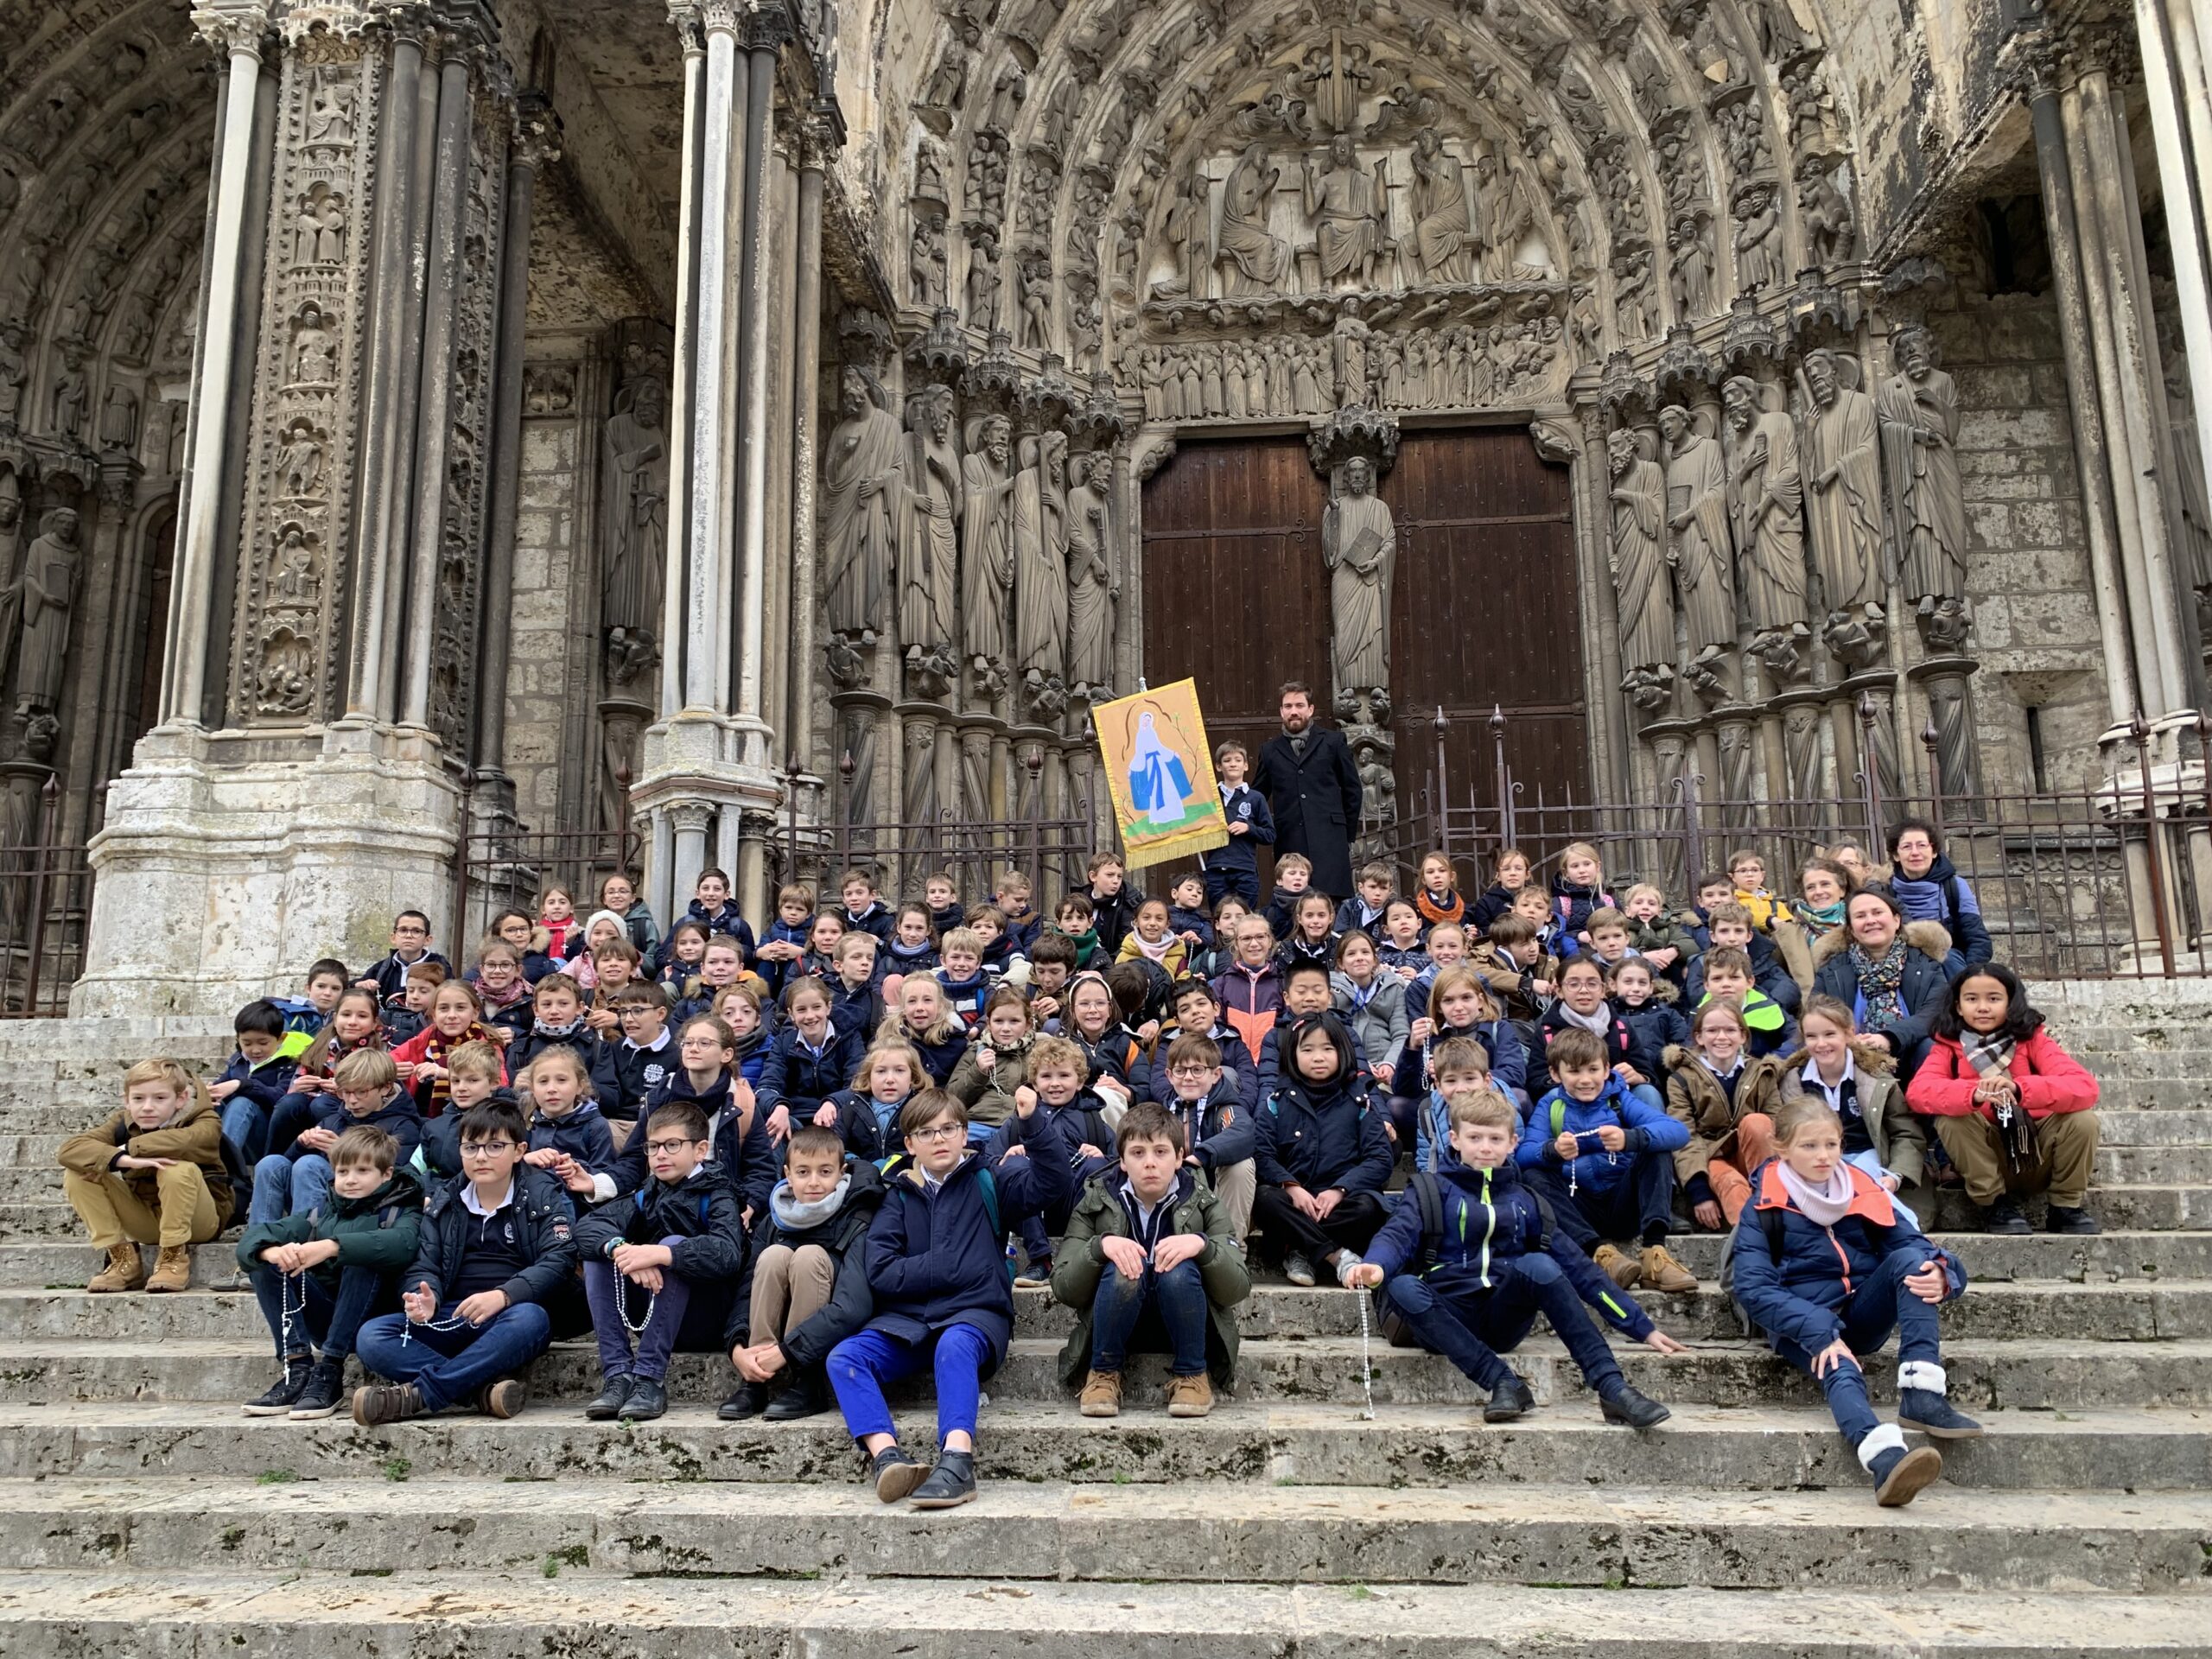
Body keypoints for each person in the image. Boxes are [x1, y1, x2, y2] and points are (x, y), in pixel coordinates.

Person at [1348, 1090, 1678, 1427]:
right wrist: (1375, 1264)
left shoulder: (1527, 1201)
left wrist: (1641, 1327)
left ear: (1512, 1143)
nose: (1485, 1147)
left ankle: (1613, 1388)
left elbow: (1580, 1269)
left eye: (1495, 1138)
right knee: (1402, 1286)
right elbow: (1397, 1235)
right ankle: (1503, 1382)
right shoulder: (1430, 1189)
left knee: (1541, 1265)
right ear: (1455, 1139)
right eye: (1474, 1137)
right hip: (1446, 1319)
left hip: (1503, 1319)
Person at [828, 1086, 1071, 1510]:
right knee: (845, 1357)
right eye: (926, 1132)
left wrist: (1032, 1123)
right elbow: (882, 1271)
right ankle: (886, 1456)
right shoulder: (897, 1194)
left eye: (948, 1129)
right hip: (909, 1324)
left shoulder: (990, 1179)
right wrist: (954, 1264)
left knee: (955, 1345)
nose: (939, 1139)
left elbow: (1055, 1180)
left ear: (964, 1134)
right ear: (909, 1144)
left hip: (975, 1316)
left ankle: (957, 1461)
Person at [1730, 1096, 1981, 1506]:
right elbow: (1754, 1289)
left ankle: (1922, 1394)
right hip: (1803, 1321)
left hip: (1860, 1311)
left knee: (1913, 1262)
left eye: (1831, 1145)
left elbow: (1913, 1244)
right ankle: (1885, 1460)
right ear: (1783, 1149)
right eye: (1809, 1146)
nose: (1823, 1156)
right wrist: (1819, 1331)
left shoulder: (1859, 1188)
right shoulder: (1764, 1205)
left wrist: (1945, 1272)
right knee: (1839, 1368)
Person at [353, 1099, 581, 1424]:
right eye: (471, 1148)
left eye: (494, 1146)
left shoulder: (543, 1194)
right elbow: (423, 1264)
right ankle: (479, 1392)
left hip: (509, 1317)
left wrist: (503, 1296)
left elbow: (558, 1259)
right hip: (451, 1315)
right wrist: (424, 1297)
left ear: (519, 1151)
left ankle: (418, 1396)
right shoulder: (445, 1200)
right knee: (372, 1336)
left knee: (532, 1319)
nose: (481, 1156)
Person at [1057, 1103, 1252, 1420]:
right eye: (1137, 1153)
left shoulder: (1204, 1202)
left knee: (1179, 1267)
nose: (1150, 1163)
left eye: (1160, 1152)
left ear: (1178, 1157)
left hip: (1185, 1319)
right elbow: (1065, 1289)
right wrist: (1098, 1248)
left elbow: (1237, 1288)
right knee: (1125, 1266)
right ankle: (1103, 1373)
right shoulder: (1095, 1202)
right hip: (1113, 1321)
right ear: (1122, 1161)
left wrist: (1202, 1246)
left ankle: (1192, 1375)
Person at [574, 1098, 747, 1422]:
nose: (660, 1155)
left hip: (705, 1318)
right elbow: (587, 1227)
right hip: (654, 1311)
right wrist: (620, 1248)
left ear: (700, 1150)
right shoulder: (647, 1193)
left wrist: (662, 1254)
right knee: (600, 1253)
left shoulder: (719, 1194)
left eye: (671, 1145)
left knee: (674, 1244)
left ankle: (650, 1379)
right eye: (653, 1147)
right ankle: (619, 1375)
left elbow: (727, 1254)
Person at [236, 1123, 421, 1421]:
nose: (350, 1180)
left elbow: (403, 1244)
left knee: (363, 1258)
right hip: (326, 1318)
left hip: (374, 1323)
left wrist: (331, 1246)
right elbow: (252, 1239)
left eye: (362, 1171)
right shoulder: (319, 1215)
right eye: (343, 1172)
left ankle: (330, 1370)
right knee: (266, 1262)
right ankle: (296, 1368)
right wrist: (271, 1252)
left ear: (386, 1174)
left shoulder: (402, 1211)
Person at [1907, 963, 2102, 1235]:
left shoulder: (2033, 1041)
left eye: (1994, 998)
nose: (1983, 1007)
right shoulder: (1947, 1047)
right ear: (1958, 1007)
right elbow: (1918, 1093)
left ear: (2011, 1003)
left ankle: (2065, 1207)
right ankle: (1995, 1204)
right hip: (1988, 1157)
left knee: (2083, 1120)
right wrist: (1972, 1094)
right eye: (1972, 999)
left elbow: (2084, 1087)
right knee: (1952, 1120)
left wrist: (2020, 1090)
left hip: (2036, 1152)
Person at [723, 1124, 887, 1420]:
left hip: (822, 1339)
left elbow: (854, 1305)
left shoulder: (857, 1213)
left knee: (809, 1256)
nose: (813, 1182)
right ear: (788, 1174)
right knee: (774, 1255)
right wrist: (737, 1347)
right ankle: (757, 1376)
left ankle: (807, 1380)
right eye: (803, 1172)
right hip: (773, 1341)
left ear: (842, 1172)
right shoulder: (774, 1219)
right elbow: (747, 1289)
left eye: (825, 1172)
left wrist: (789, 1352)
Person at [1516, 1027, 1695, 1293]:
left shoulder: (1620, 1100)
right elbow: (1523, 1155)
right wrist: (1553, 1150)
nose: (1585, 1080)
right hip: (1580, 1212)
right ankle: (1600, 1255)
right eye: (1574, 1071)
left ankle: (1654, 1254)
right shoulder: (1550, 1105)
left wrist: (1630, 1139)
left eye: (1593, 1069)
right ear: (1556, 1074)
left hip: (1624, 1205)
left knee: (1655, 1147)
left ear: (1606, 1068)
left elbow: (1678, 1132)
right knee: (1533, 1176)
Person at [61, 1057, 236, 1294]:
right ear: (127, 1101)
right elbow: (70, 1150)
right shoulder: (123, 1122)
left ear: (181, 1099)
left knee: (176, 1168)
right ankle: (122, 1259)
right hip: (148, 1219)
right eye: (138, 1099)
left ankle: (173, 1257)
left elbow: (192, 1139)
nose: (147, 1107)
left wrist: (129, 1148)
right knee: (78, 1173)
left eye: (160, 1098)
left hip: (200, 1222)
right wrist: (120, 1159)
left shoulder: (205, 1119)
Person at [1251, 1012, 1394, 1287]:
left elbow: (1380, 1159)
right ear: (1293, 1055)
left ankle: (1301, 1249)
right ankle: (1337, 1256)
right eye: (1308, 1049)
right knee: (1266, 1200)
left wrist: (1340, 1190)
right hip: (1295, 1202)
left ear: (1342, 1052)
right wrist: (1290, 1186)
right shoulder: (1276, 1102)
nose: (1318, 1057)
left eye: (1328, 1048)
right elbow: (1262, 1155)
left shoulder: (1359, 1102)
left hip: (1340, 1204)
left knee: (1368, 1207)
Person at [1785, 995, 1927, 1220]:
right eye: (1812, 1036)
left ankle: (1907, 1227)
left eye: (1830, 1034)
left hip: (1869, 1157)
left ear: (1849, 1033)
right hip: (1818, 1162)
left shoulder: (1876, 1078)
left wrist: (1896, 1176)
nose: (1821, 1044)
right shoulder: (1793, 1081)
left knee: (1858, 1179)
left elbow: (1905, 1132)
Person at [248, 1049, 423, 1226]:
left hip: (364, 1207)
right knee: (271, 1164)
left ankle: (306, 1241)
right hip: (318, 1198)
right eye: (345, 1092)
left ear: (386, 1087)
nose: (352, 1100)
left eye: (361, 1092)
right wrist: (301, 1144)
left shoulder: (403, 1127)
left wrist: (345, 1152)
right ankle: (260, 1240)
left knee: (310, 1164)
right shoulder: (333, 1121)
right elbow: (287, 1165)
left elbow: (396, 1178)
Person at [1665, 1001, 1789, 1230]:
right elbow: (1684, 1137)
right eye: (1712, 1030)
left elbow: (1778, 1126)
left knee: (1758, 1122)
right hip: (1711, 1156)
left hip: (1754, 1155)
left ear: (1743, 1035)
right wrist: (1699, 1191)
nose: (1721, 1037)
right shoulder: (1681, 1079)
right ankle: (1752, 1241)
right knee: (1732, 1184)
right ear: (1699, 1037)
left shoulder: (1763, 1073)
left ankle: (1771, 1196)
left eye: (1730, 1030)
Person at [1813, 885, 1950, 1078]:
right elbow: (1817, 1013)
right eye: (1860, 916)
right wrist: (1850, 1040)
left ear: (1896, 920)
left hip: (1912, 1050)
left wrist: (1888, 1037)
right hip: (1853, 1054)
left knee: (1931, 1049)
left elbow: (1934, 1013)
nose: (1871, 921)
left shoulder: (1926, 964)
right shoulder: (1832, 970)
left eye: (1877, 912)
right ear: (1852, 930)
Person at [1254, 682, 1362, 899]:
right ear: (1281, 711)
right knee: (1294, 903)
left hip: (1331, 841)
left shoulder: (1333, 741)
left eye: (1299, 705)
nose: (1294, 711)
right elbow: (1257, 796)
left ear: (1310, 709)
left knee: (1332, 902)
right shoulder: (1269, 751)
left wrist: (1345, 834)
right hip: (1289, 840)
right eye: (1288, 706)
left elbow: (1352, 789)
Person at [757, 977, 868, 1138]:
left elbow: (858, 1084)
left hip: (838, 1115)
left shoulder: (850, 1039)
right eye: (801, 1010)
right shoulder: (784, 1042)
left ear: (828, 1008)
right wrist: (778, 1105)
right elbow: (767, 1085)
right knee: (774, 1126)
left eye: (816, 1007)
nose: (810, 1016)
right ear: (791, 1014)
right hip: (796, 1116)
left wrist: (833, 1102)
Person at [1887, 818, 1993, 977]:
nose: (1915, 853)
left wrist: (1969, 976)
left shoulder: (1955, 886)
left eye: (1922, 845)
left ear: (1934, 851)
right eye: (1907, 846)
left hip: (1948, 966)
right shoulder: (1884, 889)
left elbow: (1977, 939)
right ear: (1896, 855)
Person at [210, 999, 307, 1164]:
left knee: (243, 1102)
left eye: (263, 1043)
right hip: (238, 1134)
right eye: (247, 1043)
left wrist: (242, 1085)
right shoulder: (238, 1061)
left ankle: (224, 1166)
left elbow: (281, 1097)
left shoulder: (291, 1063)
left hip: (268, 1140)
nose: (255, 1050)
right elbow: (220, 1087)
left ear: (281, 1038)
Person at [1201, 740, 1274, 908]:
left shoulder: (1256, 798)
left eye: (1237, 760)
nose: (1233, 764)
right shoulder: (1209, 798)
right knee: (1220, 918)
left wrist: (1248, 828)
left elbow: (1270, 834)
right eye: (1227, 761)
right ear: (1219, 767)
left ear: (1246, 766)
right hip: (1216, 868)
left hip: (1245, 869)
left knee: (1246, 917)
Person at [360, 910, 450, 1008]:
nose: (408, 936)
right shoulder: (383, 968)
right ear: (393, 937)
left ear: (427, 940)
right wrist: (361, 985)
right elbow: (352, 987)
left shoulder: (439, 966)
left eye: (416, 931)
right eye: (403, 930)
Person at [686, 867, 760, 960]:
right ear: (698, 894)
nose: (711, 893)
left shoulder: (739, 926)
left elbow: (750, 960)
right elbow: (665, 956)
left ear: (726, 894)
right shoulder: (686, 923)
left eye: (717, 889)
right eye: (705, 888)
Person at [1549, 842, 1615, 944]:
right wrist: (1578, 936)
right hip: (1575, 955)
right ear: (1566, 872)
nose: (1582, 870)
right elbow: (1550, 933)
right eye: (1575, 866)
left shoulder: (1609, 901)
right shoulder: (1560, 903)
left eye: (1587, 864)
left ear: (1597, 867)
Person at [1083, 854, 1143, 957]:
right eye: (1110, 875)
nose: (1116, 881)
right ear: (1093, 876)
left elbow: (1125, 945)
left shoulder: (1127, 905)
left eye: (1119, 876)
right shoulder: (1079, 902)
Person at [1117, 897, 1190, 980]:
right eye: (1146, 918)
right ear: (1136, 922)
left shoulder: (1176, 953)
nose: (1152, 923)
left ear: (1167, 924)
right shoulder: (1125, 956)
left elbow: (1184, 985)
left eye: (1159, 919)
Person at [1469, 847, 1535, 934]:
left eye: (1518, 869)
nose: (1513, 873)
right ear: (1498, 876)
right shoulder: (1485, 903)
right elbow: (1484, 932)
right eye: (1506, 869)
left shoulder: (1536, 899)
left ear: (1527, 874)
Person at [1335, 861, 1397, 938]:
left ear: (1390, 891)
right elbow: (1339, 936)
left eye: (1383, 888)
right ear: (1361, 888)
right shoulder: (1349, 908)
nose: (1377, 893)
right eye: (1372, 887)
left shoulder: (1393, 911)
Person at [1262, 851, 1315, 940]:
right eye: (1292, 873)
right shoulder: (1267, 914)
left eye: (1303, 874)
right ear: (1279, 880)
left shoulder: (1319, 906)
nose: (1298, 877)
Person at [838, 867, 897, 946]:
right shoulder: (840, 920)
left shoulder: (887, 920)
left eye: (860, 893)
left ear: (872, 895)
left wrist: (879, 943)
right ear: (844, 899)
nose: (854, 898)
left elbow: (893, 950)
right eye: (848, 894)